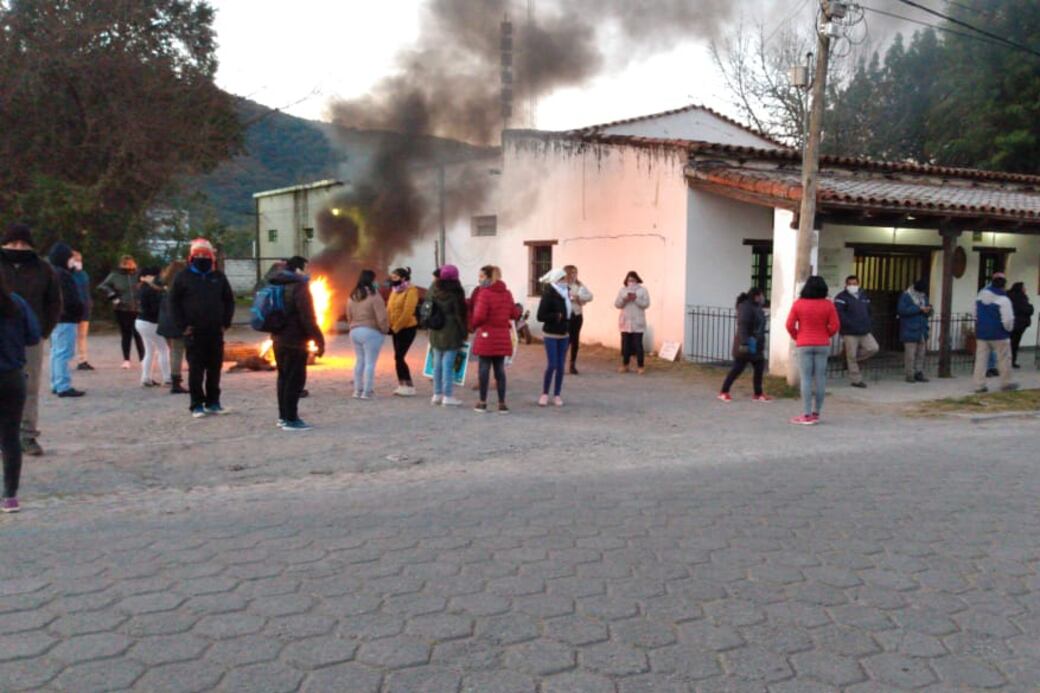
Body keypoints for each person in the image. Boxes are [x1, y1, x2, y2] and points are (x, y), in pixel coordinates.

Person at [0, 223, 61, 457]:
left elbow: (54, 302)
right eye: (13, 243)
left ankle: (27, 435)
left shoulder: (43, 269)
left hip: (29, 338)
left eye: (23, 244)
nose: (18, 247)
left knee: (28, 388)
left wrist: (43, 331)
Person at [170, 238, 235, 418]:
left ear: (212, 257)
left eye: (205, 255)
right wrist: (183, 326)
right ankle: (196, 404)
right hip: (194, 332)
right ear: (191, 257)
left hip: (215, 331)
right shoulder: (183, 277)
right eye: (198, 255)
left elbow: (229, 300)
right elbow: (173, 303)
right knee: (196, 370)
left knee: (214, 369)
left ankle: (213, 402)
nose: (202, 258)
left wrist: (225, 322)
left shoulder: (219, 277)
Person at [0, 270, 42, 513]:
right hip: (12, 377)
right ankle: (10, 496)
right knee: (10, 437)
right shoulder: (16, 303)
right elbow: (33, 336)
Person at [269, 256, 324, 430]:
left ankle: (283, 417)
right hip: (296, 340)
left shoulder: (275, 282)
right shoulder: (300, 286)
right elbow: (307, 317)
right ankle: (291, 419)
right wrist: (319, 339)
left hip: (277, 337)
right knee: (296, 379)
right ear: (299, 269)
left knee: (283, 378)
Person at [785, 276, 840, 425]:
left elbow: (789, 325)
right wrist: (825, 334)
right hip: (822, 344)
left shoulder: (798, 304)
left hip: (804, 343)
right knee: (820, 378)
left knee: (806, 378)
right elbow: (834, 326)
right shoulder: (828, 305)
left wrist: (797, 336)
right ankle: (817, 412)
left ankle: (807, 413)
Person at [471, 269, 521, 413]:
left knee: (484, 368)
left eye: (481, 276)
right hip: (502, 335)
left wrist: (473, 324)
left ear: (488, 277)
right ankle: (502, 403)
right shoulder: (507, 293)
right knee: (500, 370)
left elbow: (479, 316)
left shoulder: (484, 293)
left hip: (486, 334)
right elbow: (514, 313)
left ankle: (482, 402)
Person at [718, 288, 771, 403]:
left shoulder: (756, 307)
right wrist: (745, 343)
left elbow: (759, 324)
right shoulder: (746, 307)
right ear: (757, 296)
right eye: (762, 295)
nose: (763, 298)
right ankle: (724, 391)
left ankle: (758, 393)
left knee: (759, 368)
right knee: (737, 369)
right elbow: (743, 326)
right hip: (747, 344)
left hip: (756, 343)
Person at [48, 242, 86, 398]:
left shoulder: (52, 273)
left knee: (56, 352)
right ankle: (63, 385)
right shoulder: (64, 275)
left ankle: (56, 383)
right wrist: (78, 311)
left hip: (57, 318)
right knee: (64, 353)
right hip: (66, 318)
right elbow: (71, 298)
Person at [427, 265, 468, 407]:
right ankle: (448, 396)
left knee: (437, 363)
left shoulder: (434, 289)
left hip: (436, 328)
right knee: (448, 364)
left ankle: (436, 394)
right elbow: (460, 314)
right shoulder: (456, 291)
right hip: (452, 329)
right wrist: (464, 331)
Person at [346, 269, 389, 400]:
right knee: (370, 363)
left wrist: (353, 325)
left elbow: (348, 315)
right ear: (372, 280)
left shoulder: (352, 296)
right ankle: (367, 391)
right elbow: (381, 316)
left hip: (354, 331)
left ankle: (357, 390)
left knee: (359, 361)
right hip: (371, 331)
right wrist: (384, 329)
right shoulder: (375, 296)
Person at [973, 273, 1018, 393]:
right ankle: (1006, 383)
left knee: (981, 360)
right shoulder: (1004, 299)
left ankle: (979, 385)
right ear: (1003, 285)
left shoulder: (980, 297)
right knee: (1004, 359)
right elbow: (1008, 319)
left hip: (982, 332)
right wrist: (1008, 329)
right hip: (999, 334)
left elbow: (975, 314)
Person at [833, 274, 879, 389]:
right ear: (846, 285)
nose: (852, 286)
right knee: (851, 355)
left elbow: (869, 311)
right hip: (850, 332)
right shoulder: (841, 297)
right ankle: (856, 379)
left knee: (873, 348)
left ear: (858, 284)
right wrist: (849, 324)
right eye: (850, 284)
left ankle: (849, 360)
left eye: (855, 284)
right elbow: (839, 314)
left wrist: (869, 322)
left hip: (864, 330)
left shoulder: (864, 296)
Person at [99, 255, 144, 369]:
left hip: (138, 308)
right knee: (126, 334)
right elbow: (103, 286)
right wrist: (112, 295)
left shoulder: (139, 275)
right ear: (121, 264)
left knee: (138, 334)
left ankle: (143, 358)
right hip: (122, 308)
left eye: (130, 264)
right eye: (125, 264)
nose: (128, 266)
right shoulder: (115, 275)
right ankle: (126, 359)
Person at [537, 267, 572, 407]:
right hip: (551, 333)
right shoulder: (548, 294)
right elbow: (540, 316)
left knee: (561, 366)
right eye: (563, 278)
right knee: (552, 364)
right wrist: (556, 316)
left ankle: (557, 394)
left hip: (564, 334)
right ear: (557, 280)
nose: (566, 280)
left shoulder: (567, 293)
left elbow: (569, 313)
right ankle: (545, 393)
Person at [386, 266, 420, 397]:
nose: (392, 280)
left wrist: (396, 327)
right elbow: (389, 308)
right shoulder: (394, 290)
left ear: (403, 278)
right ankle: (401, 384)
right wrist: (389, 324)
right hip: (395, 328)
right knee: (397, 357)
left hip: (407, 328)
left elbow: (407, 312)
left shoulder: (411, 290)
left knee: (399, 356)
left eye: (395, 277)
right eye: (392, 277)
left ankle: (409, 385)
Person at [135, 266, 171, 388]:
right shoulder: (150, 291)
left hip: (141, 322)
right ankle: (167, 378)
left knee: (149, 350)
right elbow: (156, 308)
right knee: (163, 349)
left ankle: (146, 378)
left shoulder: (142, 288)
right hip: (151, 322)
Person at [158, 260, 188, 394]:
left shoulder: (166, 288)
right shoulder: (180, 289)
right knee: (178, 351)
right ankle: (176, 381)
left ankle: (175, 379)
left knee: (174, 352)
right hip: (177, 323)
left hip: (166, 323)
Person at [614, 271, 651, 374]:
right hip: (625, 321)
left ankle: (640, 366)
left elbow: (646, 304)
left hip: (637, 322)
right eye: (629, 280)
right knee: (625, 345)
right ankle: (625, 365)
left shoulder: (643, 290)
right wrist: (624, 299)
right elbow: (617, 304)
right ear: (626, 280)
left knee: (638, 345)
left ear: (637, 280)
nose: (631, 282)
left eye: (633, 280)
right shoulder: (622, 290)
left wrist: (636, 299)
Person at [897, 279, 932, 384]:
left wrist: (929, 310)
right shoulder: (906, 296)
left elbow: (926, 309)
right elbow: (902, 310)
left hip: (921, 329)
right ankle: (909, 374)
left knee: (921, 353)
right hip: (909, 328)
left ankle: (919, 372)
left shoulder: (923, 296)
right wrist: (919, 309)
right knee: (910, 355)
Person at [564, 265, 593, 375]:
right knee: (565, 340)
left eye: (575, 273)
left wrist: (579, 298)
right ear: (567, 274)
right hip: (566, 316)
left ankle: (572, 364)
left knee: (575, 339)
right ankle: (560, 363)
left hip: (577, 315)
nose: (574, 275)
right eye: (572, 273)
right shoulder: (562, 285)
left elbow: (590, 296)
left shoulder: (579, 285)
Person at [71, 250, 94, 371]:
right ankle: (64, 360)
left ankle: (82, 360)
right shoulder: (67, 275)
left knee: (82, 336)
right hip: (72, 309)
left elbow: (86, 291)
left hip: (84, 308)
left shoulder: (84, 274)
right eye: (76, 260)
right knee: (68, 336)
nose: (78, 263)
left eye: (79, 260)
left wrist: (89, 303)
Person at [1007, 281, 1034, 369]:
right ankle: (1011, 361)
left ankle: (1008, 361)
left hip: (1010, 323)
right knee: (1014, 344)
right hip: (1018, 324)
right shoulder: (1020, 298)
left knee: (1009, 343)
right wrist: (1031, 307)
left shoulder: (1008, 295)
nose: (1025, 289)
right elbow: (1027, 310)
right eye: (1024, 287)